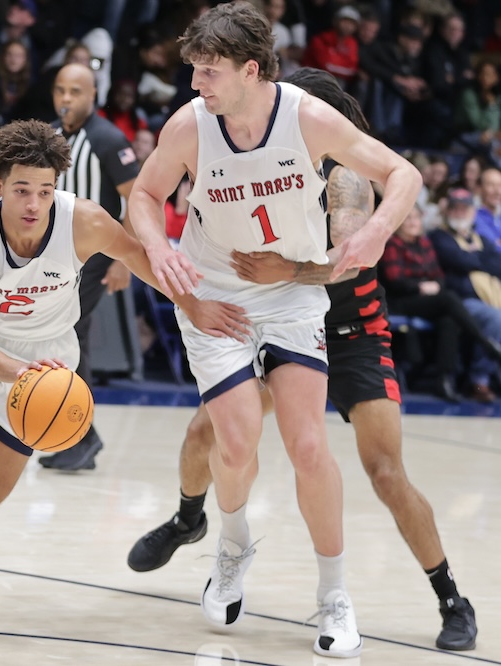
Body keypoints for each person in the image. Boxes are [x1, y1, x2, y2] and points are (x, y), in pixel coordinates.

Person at [127, 3, 422, 657]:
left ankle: (334, 595)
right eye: (194, 70)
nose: (196, 83)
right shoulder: (190, 125)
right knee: (234, 442)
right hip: (216, 297)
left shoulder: (308, 118)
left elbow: (403, 174)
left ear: (250, 70)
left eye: (209, 71)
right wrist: (160, 246)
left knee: (308, 446)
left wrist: (377, 230)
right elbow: (143, 195)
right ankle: (232, 547)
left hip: (289, 298)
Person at [0, 119, 249, 625]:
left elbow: (139, 258)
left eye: (44, 190)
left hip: (48, 356)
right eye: (21, 190)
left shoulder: (84, 221)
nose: (34, 204)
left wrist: (193, 305)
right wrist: (23, 373)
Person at [37, 62, 139, 472]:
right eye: (60, 90)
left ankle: (82, 435)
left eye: (75, 91)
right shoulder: (49, 136)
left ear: (93, 95)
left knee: (67, 335)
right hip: (57, 258)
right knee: (67, 338)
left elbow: (136, 199)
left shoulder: (108, 139)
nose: (65, 98)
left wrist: (123, 260)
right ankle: (78, 435)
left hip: (93, 257)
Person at [380, 201, 501, 402]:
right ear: (399, 221)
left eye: (416, 218)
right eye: (408, 218)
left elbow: (438, 275)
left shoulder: (424, 243)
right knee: (449, 299)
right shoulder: (392, 244)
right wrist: (420, 286)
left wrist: (433, 285)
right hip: (400, 301)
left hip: (426, 300)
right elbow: (394, 280)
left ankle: (444, 380)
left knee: (449, 319)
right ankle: (486, 343)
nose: (412, 222)